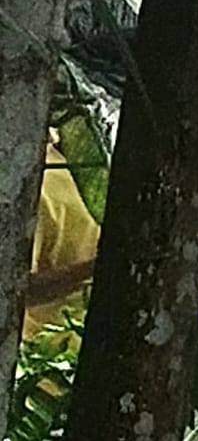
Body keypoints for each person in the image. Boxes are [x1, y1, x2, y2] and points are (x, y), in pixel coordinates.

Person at [24, 143, 100, 340]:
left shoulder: (60, 153)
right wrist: (97, 266)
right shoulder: (22, 198)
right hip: (54, 341)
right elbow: (23, 290)